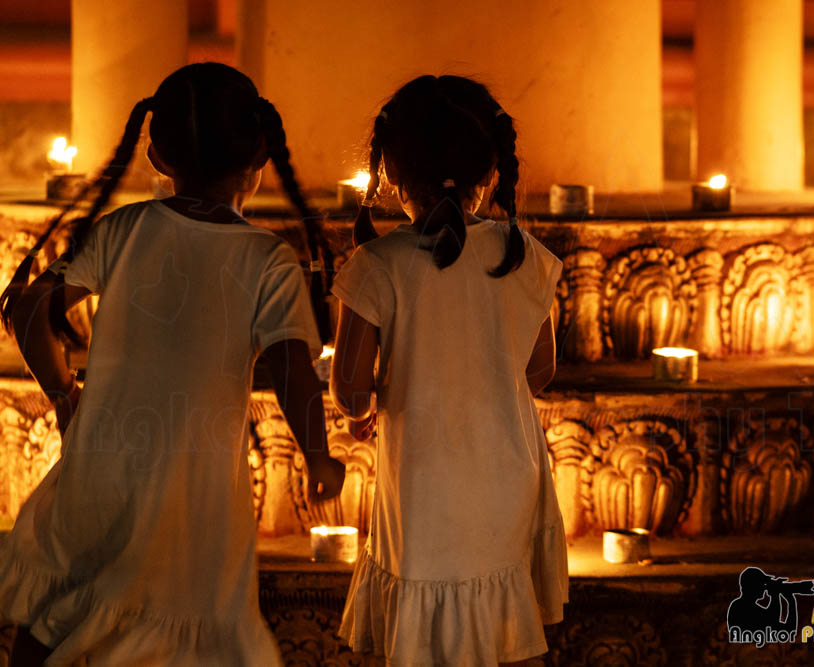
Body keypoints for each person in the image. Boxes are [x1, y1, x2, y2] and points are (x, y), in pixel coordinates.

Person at [0, 62, 344, 666]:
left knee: (65, 611)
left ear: (157, 154)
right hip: (194, 491)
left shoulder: (123, 229)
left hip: (100, 470)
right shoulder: (269, 260)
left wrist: (63, 395)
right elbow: (293, 368)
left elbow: (27, 310)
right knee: (184, 633)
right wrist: (316, 455)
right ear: (260, 149)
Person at [331, 74, 568, 666]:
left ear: (388, 174)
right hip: (506, 476)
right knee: (502, 626)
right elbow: (540, 372)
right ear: (491, 172)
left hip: (421, 486)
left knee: (421, 632)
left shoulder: (376, 265)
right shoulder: (527, 257)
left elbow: (350, 390)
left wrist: (384, 398)